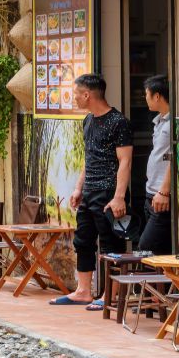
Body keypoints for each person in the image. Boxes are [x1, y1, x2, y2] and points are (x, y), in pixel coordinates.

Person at [51, 73, 132, 306]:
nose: (74, 98)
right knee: (83, 241)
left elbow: (125, 161)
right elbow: (88, 157)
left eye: (76, 94)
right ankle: (83, 290)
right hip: (89, 192)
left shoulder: (119, 122)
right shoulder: (87, 120)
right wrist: (78, 188)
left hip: (108, 192)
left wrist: (119, 197)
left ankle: (110, 295)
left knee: (110, 244)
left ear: (87, 95)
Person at [138, 75, 172, 254]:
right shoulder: (159, 121)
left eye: (147, 95)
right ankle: (165, 283)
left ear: (157, 96)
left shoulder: (173, 123)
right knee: (160, 250)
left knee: (147, 247)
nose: (145, 99)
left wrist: (164, 191)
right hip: (151, 193)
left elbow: (174, 158)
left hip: (161, 195)